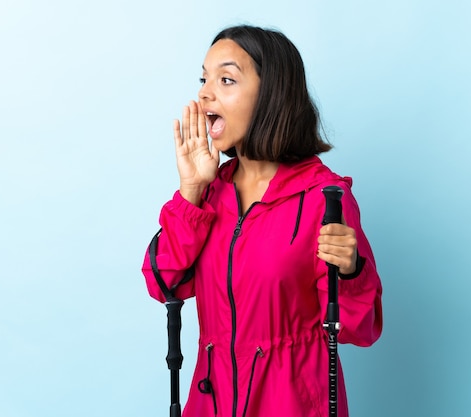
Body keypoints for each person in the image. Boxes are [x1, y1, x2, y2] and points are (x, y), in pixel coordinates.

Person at [142, 24, 383, 417]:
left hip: (290, 403)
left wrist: (352, 270)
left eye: (225, 79)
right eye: (204, 79)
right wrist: (190, 192)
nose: (205, 93)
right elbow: (162, 282)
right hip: (212, 401)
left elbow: (359, 328)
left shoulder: (324, 198)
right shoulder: (210, 195)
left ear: (271, 94)